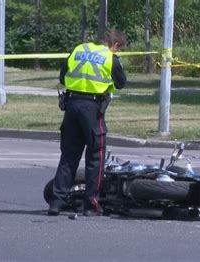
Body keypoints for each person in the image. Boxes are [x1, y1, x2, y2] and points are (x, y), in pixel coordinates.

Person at [48, 29, 127, 216]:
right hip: (92, 109)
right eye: (118, 49)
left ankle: (56, 202)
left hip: (71, 107)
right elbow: (121, 83)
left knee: (68, 157)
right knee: (95, 158)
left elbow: (62, 76)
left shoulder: (79, 49)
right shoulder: (110, 58)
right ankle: (90, 205)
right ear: (115, 45)